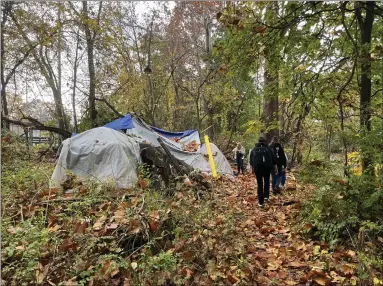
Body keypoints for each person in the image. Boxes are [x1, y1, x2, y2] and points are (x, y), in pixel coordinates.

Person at [250, 137, 277, 208]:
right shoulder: (268, 149)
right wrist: (274, 166)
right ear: (264, 142)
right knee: (266, 181)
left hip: (257, 169)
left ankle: (260, 202)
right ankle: (266, 197)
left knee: (259, 184)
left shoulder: (254, 149)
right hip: (266, 168)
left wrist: (252, 169)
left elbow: (251, 160)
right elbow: (273, 159)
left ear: (258, 141)